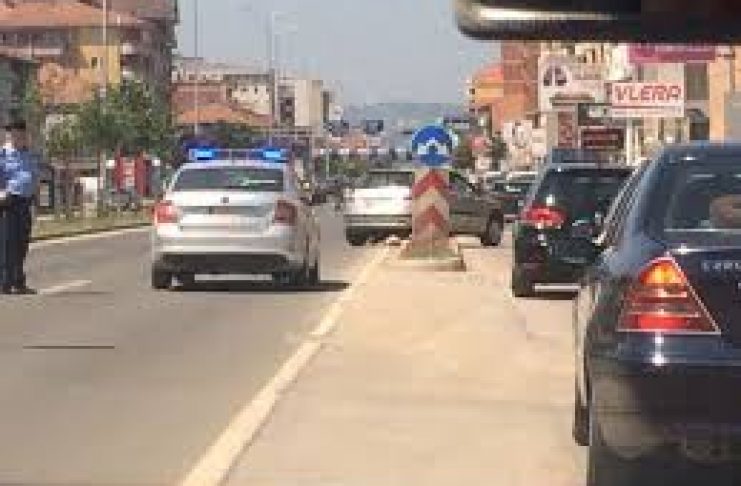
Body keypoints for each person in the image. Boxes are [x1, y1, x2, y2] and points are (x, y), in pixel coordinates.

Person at [1, 121, 38, 295]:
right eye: (14, 134)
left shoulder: (29, 155)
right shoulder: (3, 154)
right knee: (7, 243)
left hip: (26, 202)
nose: (18, 138)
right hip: (9, 202)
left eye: (21, 135)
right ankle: (5, 282)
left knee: (22, 243)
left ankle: (18, 281)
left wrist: (34, 201)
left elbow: (34, 177)